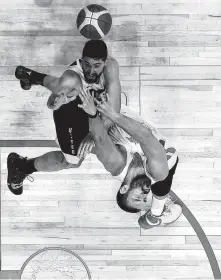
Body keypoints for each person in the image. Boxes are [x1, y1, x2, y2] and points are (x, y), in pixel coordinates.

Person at [7, 39, 121, 195]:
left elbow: (114, 109)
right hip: (70, 113)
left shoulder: (111, 66)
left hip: (89, 106)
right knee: (72, 162)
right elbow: (51, 104)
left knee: (108, 128)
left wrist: (94, 134)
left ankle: (30, 76)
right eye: (86, 64)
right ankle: (21, 166)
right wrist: (59, 101)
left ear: (105, 62)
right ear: (81, 60)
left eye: (96, 66)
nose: (90, 71)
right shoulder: (72, 77)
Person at [77, 90, 182, 229]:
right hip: (168, 157)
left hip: (98, 112)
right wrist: (113, 115)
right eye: (146, 199)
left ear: (124, 188)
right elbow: (145, 135)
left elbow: (100, 139)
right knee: (162, 178)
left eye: (138, 198)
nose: (144, 195)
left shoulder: (116, 165)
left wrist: (93, 114)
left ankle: (154, 216)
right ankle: (156, 215)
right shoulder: (157, 172)